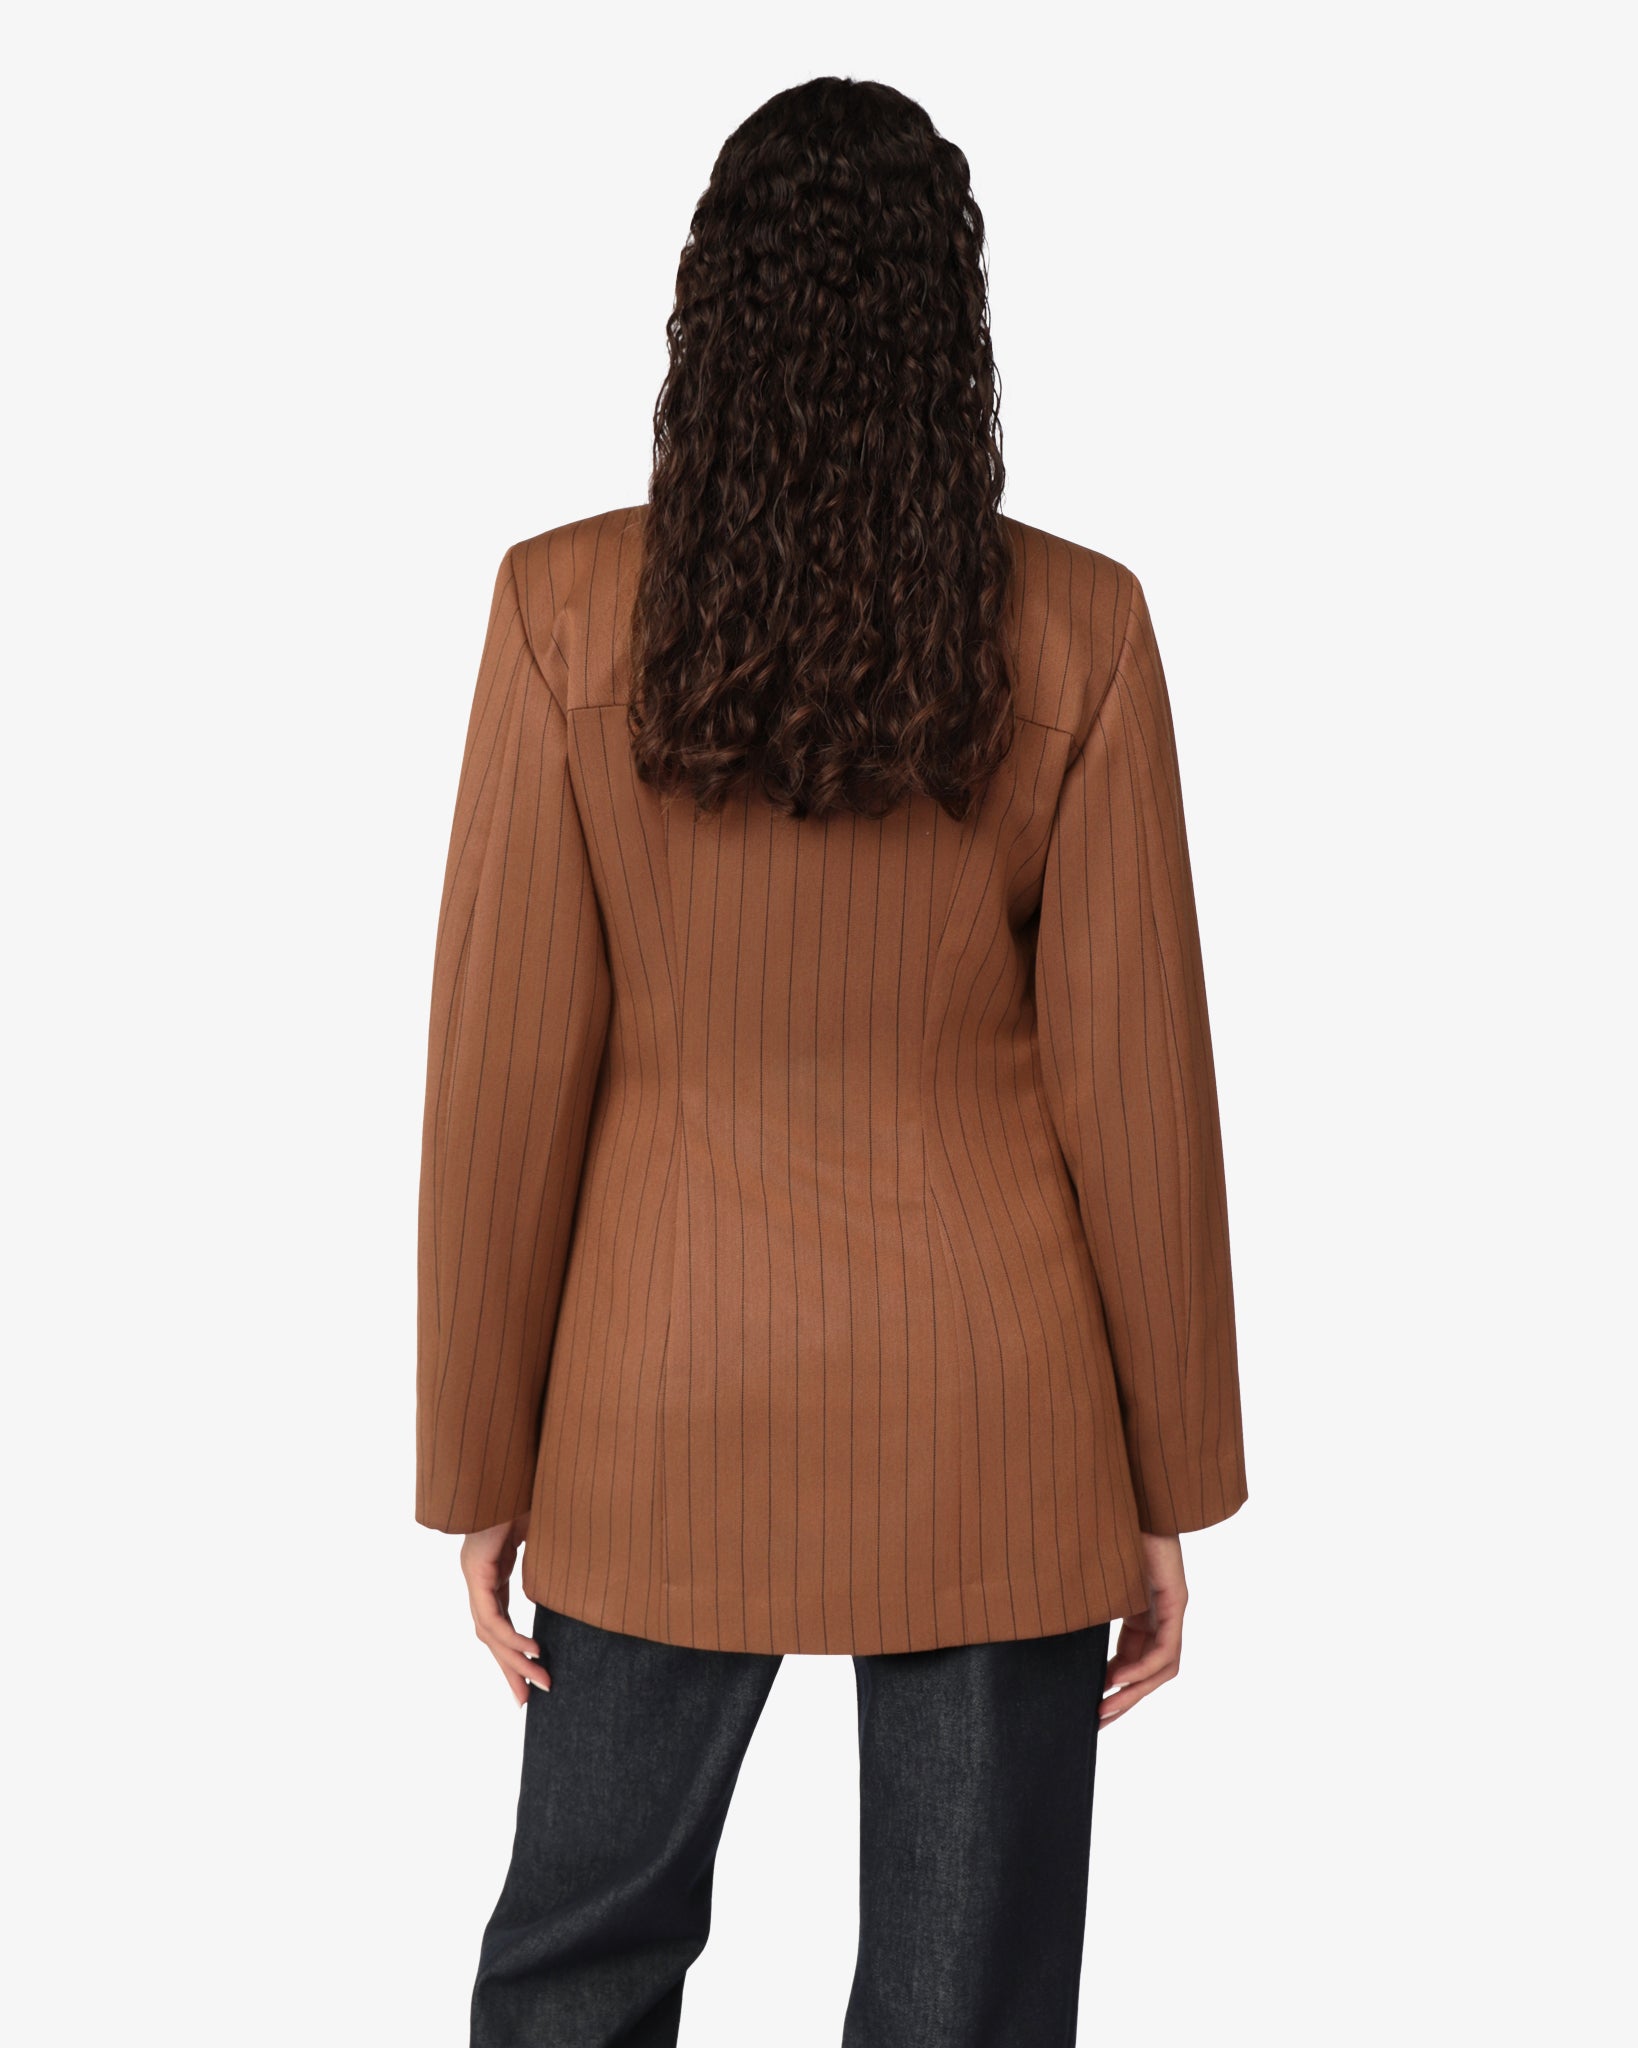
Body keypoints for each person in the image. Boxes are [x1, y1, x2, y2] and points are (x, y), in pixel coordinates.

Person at [416, 74, 1247, 2048]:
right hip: (996, 1412)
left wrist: (478, 1460)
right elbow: (1138, 1095)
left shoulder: (558, 611)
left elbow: (501, 1084)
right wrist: (1168, 1483)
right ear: (953, 328)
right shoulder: (1082, 628)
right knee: (967, 2003)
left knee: (576, 1968)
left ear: (707, 312)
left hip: (654, 1396)